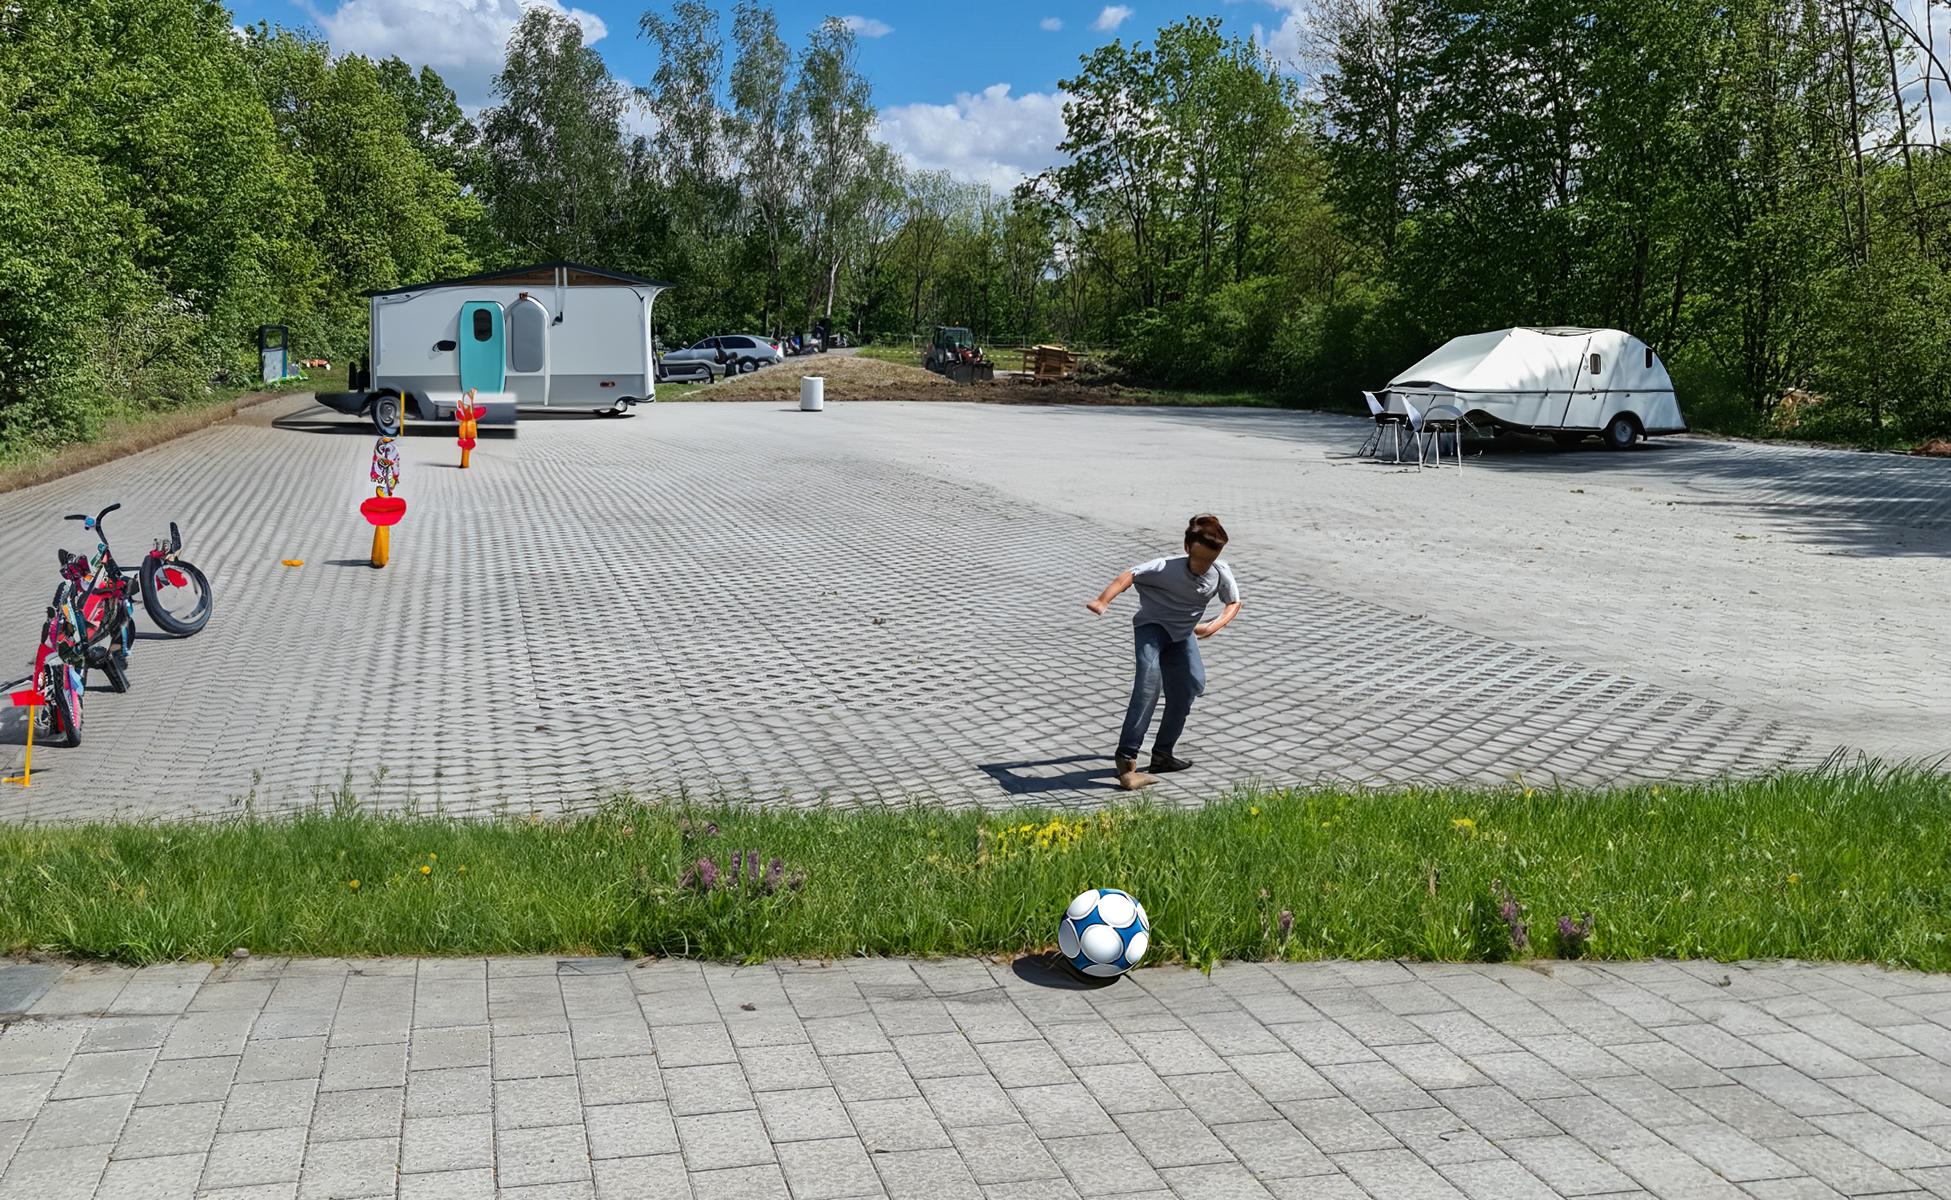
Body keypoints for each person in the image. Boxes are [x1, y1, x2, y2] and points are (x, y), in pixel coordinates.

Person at [1085, 514, 1242, 790]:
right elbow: (1128, 576)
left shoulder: (1220, 571)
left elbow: (1233, 603)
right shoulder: (1164, 566)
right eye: (1199, 559)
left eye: (1210, 560)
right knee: (1148, 686)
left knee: (1190, 686)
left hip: (1182, 635)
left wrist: (1211, 627)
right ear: (1187, 548)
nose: (1203, 566)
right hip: (1152, 629)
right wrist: (1102, 600)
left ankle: (1162, 754)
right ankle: (1126, 761)